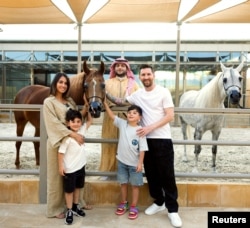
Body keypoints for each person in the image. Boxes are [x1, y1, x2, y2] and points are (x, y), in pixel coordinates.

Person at [106, 64, 182, 227]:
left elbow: (170, 116)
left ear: (153, 75)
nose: (146, 77)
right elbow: (119, 101)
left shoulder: (163, 92)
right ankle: (159, 201)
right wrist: (100, 91)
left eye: (148, 74)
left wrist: (149, 128)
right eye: (143, 75)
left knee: (167, 175)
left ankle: (172, 210)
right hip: (144, 141)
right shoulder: (137, 95)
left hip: (162, 139)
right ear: (139, 77)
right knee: (152, 174)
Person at [43, 72, 89, 219]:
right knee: (57, 176)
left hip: (73, 145)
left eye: (65, 83)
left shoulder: (69, 101)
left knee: (75, 173)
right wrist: (74, 135)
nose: (63, 85)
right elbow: (53, 123)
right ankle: (55, 209)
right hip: (57, 142)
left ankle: (76, 204)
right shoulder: (48, 102)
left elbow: (76, 117)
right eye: (60, 82)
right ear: (55, 83)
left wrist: (86, 107)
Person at [103, 98, 148, 220]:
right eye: (129, 112)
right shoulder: (123, 124)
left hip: (134, 164)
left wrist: (140, 163)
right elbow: (112, 116)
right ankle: (124, 202)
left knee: (135, 186)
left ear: (140, 117)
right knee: (123, 183)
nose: (131, 114)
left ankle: (134, 206)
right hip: (122, 162)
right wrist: (105, 105)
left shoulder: (140, 131)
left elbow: (143, 148)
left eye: (134, 113)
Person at [100, 57, 139, 171]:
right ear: (114, 68)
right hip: (110, 119)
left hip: (128, 120)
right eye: (117, 65)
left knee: (128, 145)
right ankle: (108, 170)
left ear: (127, 68)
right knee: (109, 143)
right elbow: (102, 101)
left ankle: (127, 170)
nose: (120, 68)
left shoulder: (134, 85)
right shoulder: (106, 83)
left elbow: (137, 102)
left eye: (122, 66)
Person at [58, 108, 92, 225]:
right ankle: (69, 211)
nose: (76, 124)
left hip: (81, 167)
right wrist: (60, 166)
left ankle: (76, 207)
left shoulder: (82, 131)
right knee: (69, 191)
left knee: (78, 188)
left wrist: (88, 107)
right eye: (73, 121)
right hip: (70, 169)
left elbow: (89, 121)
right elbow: (61, 153)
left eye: (78, 121)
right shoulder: (67, 138)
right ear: (68, 123)